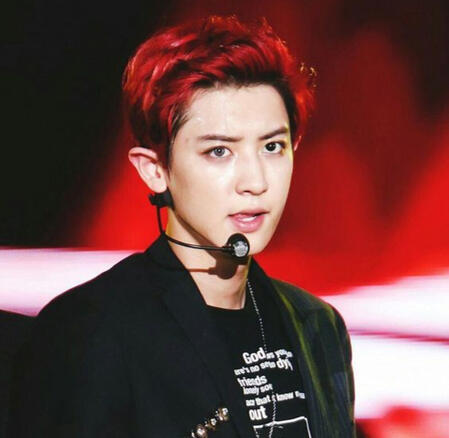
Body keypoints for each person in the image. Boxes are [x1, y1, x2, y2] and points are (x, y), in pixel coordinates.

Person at [7, 16, 355, 438]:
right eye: (220, 151)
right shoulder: (92, 331)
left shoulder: (318, 326)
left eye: (272, 146)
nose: (256, 181)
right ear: (154, 170)